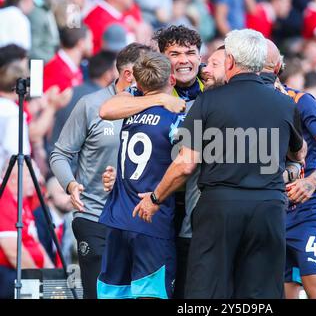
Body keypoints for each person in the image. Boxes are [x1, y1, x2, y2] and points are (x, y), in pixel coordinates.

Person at [133, 29, 304, 299]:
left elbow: (186, 163)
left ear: (231, 62)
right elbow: (298, 153)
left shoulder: (208, 100)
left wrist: (155, 198)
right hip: (268, 209)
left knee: (208, 293)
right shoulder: (285, 103)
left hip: (220, 207)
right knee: (261, 295)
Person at [49, 43, 184, 299]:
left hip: (136, 216)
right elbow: (60, 153)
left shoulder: (163, 107)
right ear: (129, 75)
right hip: (95, 213)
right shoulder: (93, 105)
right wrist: (70, 184)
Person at [99, 25, 203, 299]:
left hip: (190, 214)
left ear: (200, 57)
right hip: (153, 210)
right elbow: (107, 109)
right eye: (175, 53)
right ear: (163, 61)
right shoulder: (148, 92)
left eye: (190, 53)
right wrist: (160, 98)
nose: (183, 60)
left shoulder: (212, 85)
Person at [260, 39, 316, 299]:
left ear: (277, 69)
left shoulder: (301, 100)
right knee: (284, 294)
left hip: (305, 209)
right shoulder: (247, 105)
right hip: (270, 210)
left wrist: (312, 180)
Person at [0, 163, 54, 299]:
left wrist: (53, 275)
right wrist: (40, 281)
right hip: (10, 274)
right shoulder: (3, 198)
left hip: (27, 273)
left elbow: (36, 243)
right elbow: (13, 252)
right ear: (13, 178)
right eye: (30, 176)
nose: (37, 181)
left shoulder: (22, 200)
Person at [49, 50, 119, 154]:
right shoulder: (103, 102)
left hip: (58, 160)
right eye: (118, 70)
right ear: (108, 75)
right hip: (79, 166)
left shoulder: (70, 92)